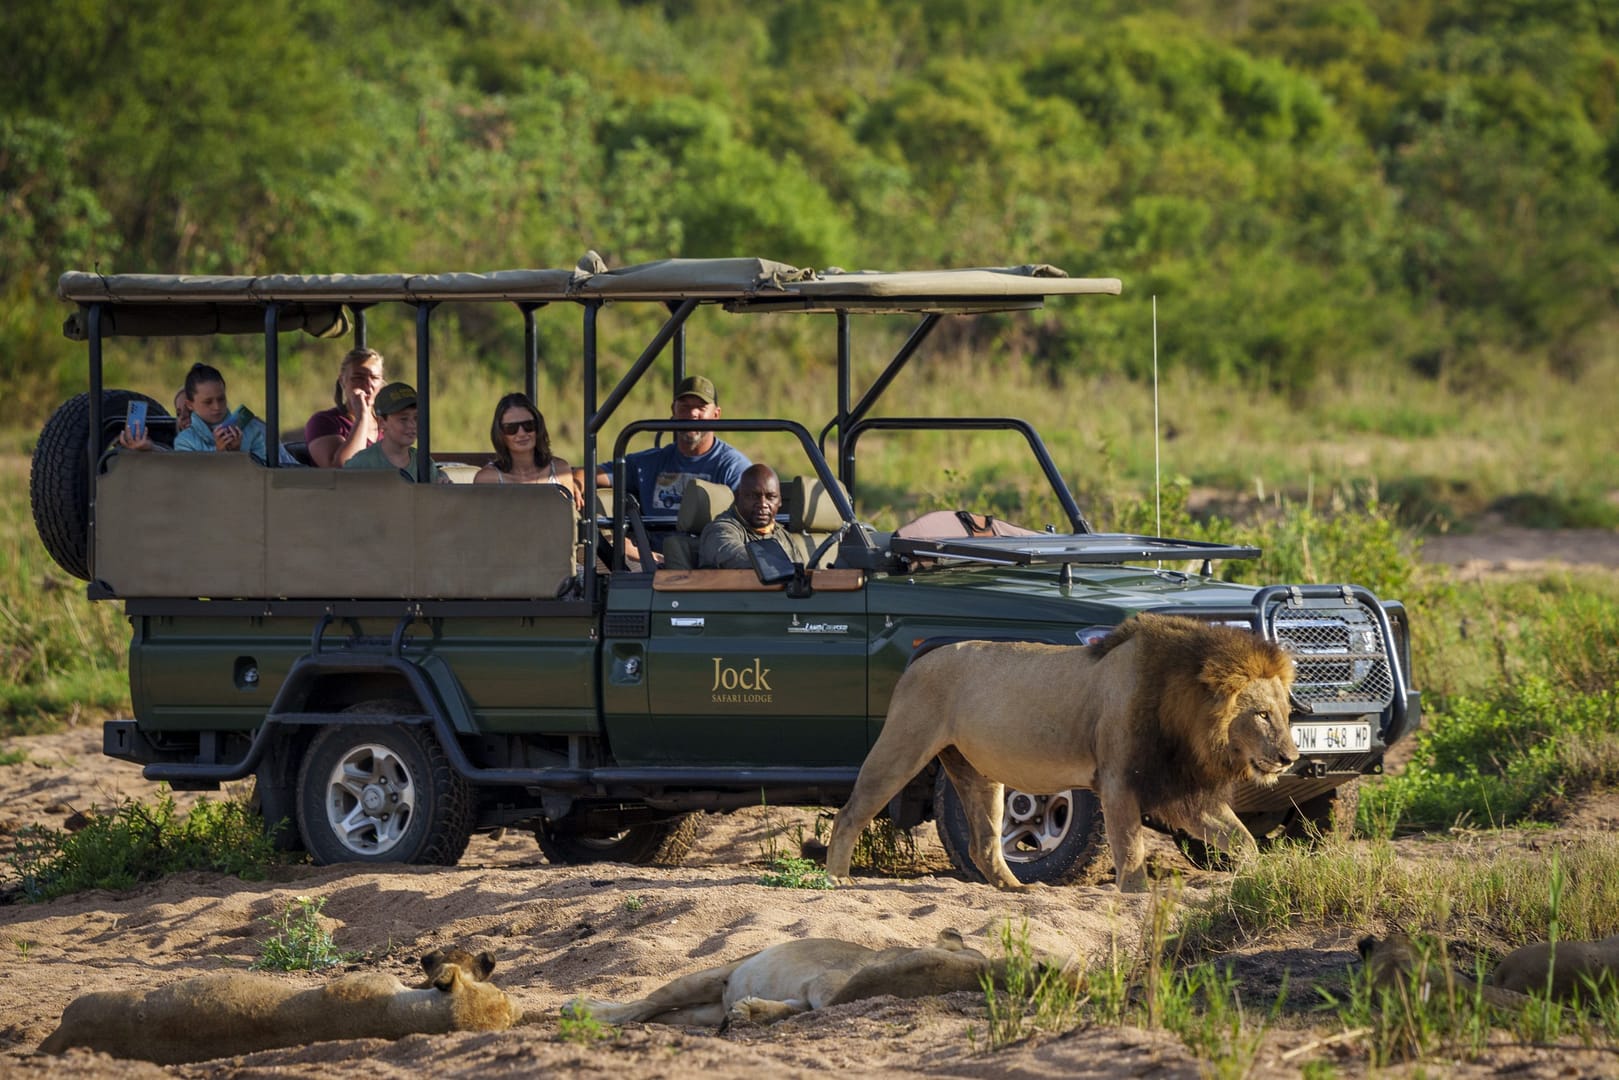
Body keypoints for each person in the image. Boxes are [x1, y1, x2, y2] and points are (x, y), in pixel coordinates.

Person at [582, 375, 751, 520]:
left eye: (701, 408)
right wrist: (574, 481)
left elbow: (747, 522)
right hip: (650, 557)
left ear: (716, 415)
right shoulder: (649, 464)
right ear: (674, 411)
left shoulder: (732, 468)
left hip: (710, 556)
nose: (692, 414)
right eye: (685, 407)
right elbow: (594, 474)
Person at [473, 392, 581, 506]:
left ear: (538, 427)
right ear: (500, 434)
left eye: (528, 425)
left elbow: (568, 519)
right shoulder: (487, 479)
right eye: (511, 428)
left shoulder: (560, 471)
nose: (521, 433)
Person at [699, 464, 811, 570]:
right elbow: (743, 560)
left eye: (771, 497)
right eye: (753, 496)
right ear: (737, 498)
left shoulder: (782, 535)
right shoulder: (719, 531)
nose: (763, 504)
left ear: (780, 501)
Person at [342, 382, 447, 483]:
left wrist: (442, 482)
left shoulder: (424, 463)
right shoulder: (361, 464)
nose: (412, 425)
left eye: (416, 418)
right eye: (403, 419)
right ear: (382, 422)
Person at [305, 347, 385, 468]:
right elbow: (343, 469)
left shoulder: (387, 423)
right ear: (342, 381)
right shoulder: (324, 421)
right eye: (358, 377)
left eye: (375, 378)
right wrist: (361, 417)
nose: (368, 384)